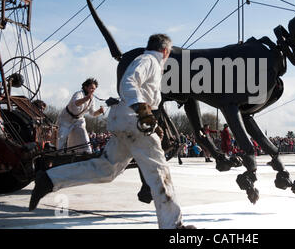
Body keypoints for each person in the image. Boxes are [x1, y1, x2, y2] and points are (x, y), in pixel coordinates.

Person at [29, 34, 194, 229]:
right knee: (159, 171)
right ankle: (173, 227)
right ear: (165, 51)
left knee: (106, 168)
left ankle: (49, 179)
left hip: (126, 120)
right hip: (134, 120)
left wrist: (152, 121)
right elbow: (128, 83)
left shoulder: (147, 61)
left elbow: (141, 93)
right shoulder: (149, 60)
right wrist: (142, 111)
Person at [56, 78, 105, 154]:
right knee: (62, 138)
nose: (93, 90)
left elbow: (92, 113)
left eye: (94, 89)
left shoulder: (92, 99)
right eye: (91, 88)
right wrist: (86, 98)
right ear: (85, 87)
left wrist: (99, 111)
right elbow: (76, 103)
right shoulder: (78, 94)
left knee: (84, 136)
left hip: (78, 120)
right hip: (66, 119)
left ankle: (87, 153)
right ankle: (59, 155)